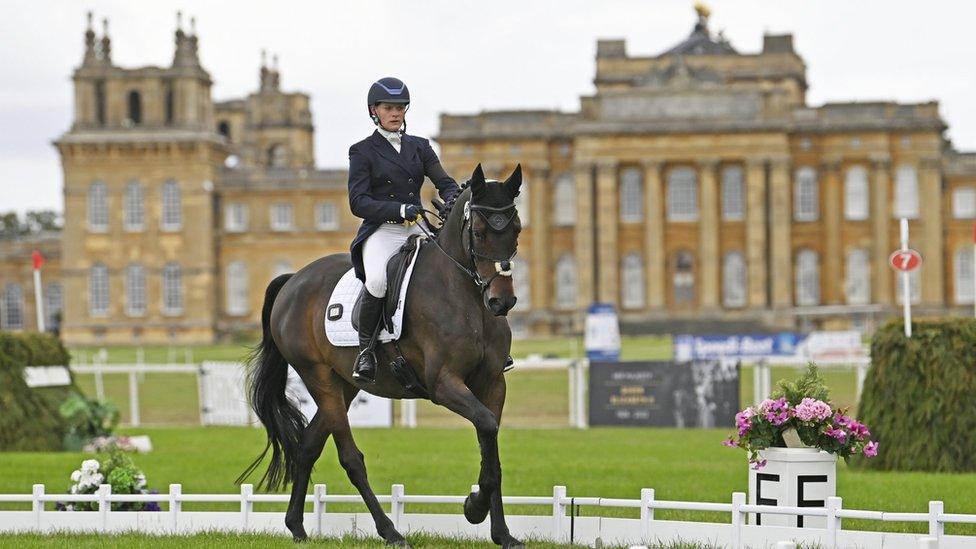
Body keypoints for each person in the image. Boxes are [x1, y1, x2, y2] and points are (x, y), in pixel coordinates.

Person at [347, 77, 460, 383]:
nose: (395, 113)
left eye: (400, 108)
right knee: (379, 281)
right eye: (389, 108)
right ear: (375, 111)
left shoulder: (420, 147)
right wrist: (397, 210)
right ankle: (366, 352)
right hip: (382, 230)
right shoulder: (362, 151)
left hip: (417, 229)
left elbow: (444, 181)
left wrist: (453, 197)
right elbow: (358, 202)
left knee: (455, 268)